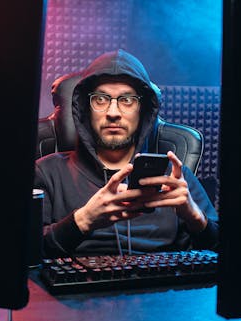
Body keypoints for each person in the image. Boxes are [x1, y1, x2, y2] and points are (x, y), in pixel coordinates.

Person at [34, 49, 219, 257]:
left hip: (159, 288)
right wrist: (82, 220)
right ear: (85, 108)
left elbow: (225, 254)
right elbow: (23, 254)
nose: (113, 113)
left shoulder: (175, 178)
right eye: (101, 99)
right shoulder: (46, 173)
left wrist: (196, 218)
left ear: (143, 110)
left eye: (127, 100)